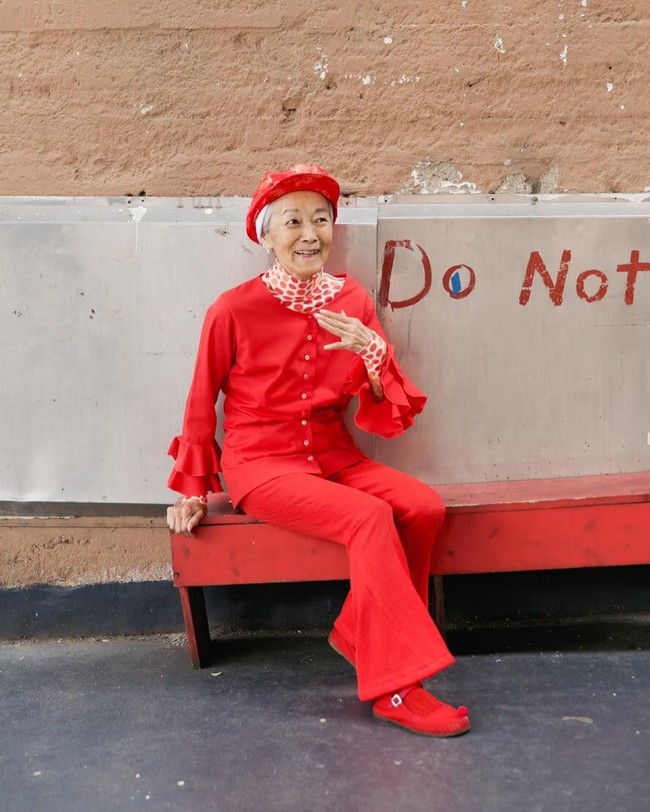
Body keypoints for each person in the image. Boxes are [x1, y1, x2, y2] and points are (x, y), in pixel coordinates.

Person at [166, 164, 470, 737]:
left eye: (322, 220)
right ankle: (396, 687)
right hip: (262, 466)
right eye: (294, 221)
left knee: (424, 507)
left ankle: (361, 631)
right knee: (371, 518)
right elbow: (200, 402)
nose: (311, 233)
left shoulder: (351, 299)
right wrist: (194, 491)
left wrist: (374, 354)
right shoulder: (230, 310)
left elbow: (383, 401)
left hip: (336, 456)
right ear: (267, 234)